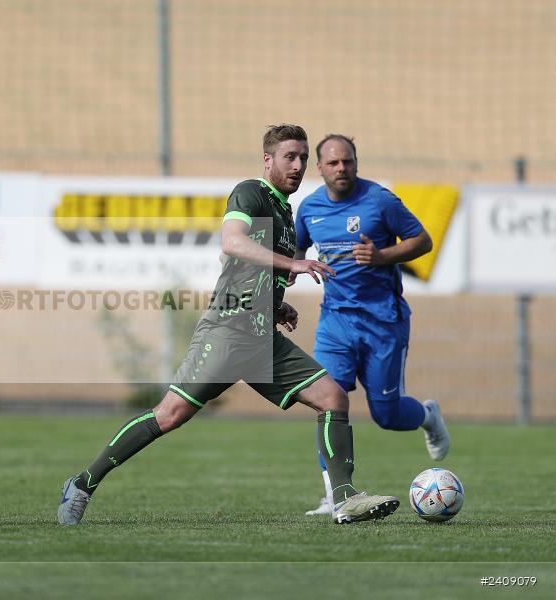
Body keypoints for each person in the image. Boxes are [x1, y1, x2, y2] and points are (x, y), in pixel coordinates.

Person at [58, 125, 400, 526]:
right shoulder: (250, 192)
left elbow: (242, 267)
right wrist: (293, 264)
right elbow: (232, 243)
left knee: (333, 398)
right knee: (169, 416)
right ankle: (82, 484)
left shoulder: (285, 212)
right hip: (227, 331)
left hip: (261, 338)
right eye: (290, 156)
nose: (299, 165)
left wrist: (276, 304)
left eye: (304, 157)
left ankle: (343, 497)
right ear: (268, 160)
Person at [292, 134, 450, 516]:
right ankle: (335, 495)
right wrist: (281, 291)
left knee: (387, 415)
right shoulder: (309, 209)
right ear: (320, 168)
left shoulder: (380, 201)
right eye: (333, 163)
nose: (341, 168)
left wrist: (381, 256)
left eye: (347, 161)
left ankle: (428, 416)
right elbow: (296, 253)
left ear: (356, 163)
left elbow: (422, 241)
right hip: (336, 322)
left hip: (383, 322)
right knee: (325, 401)